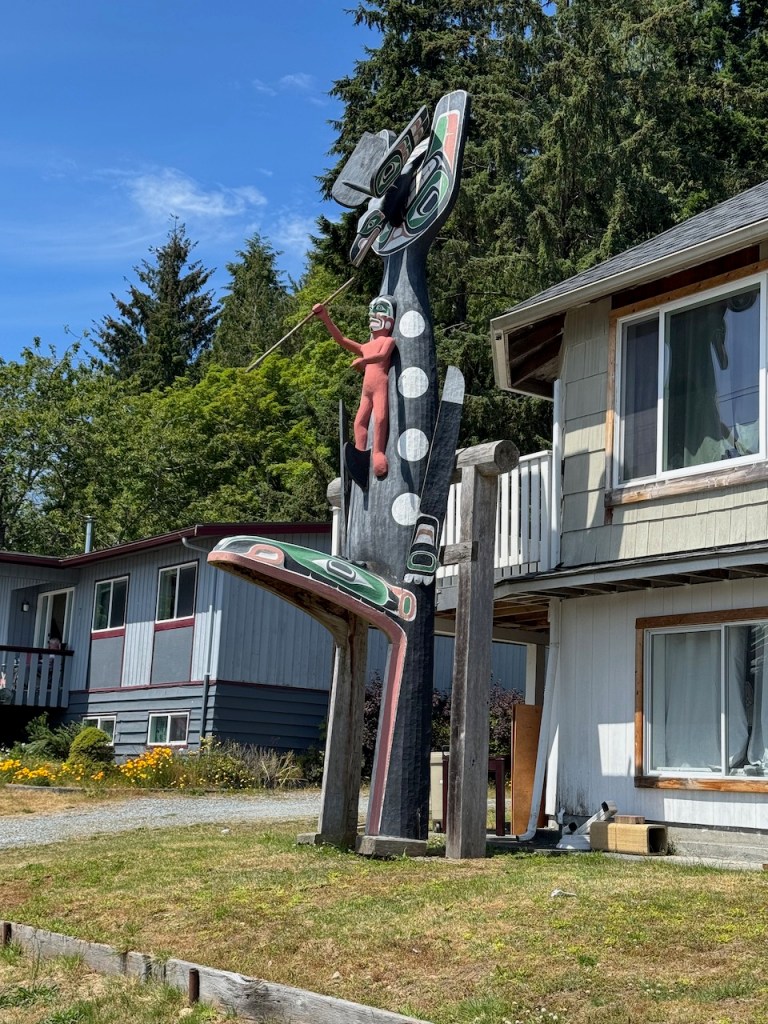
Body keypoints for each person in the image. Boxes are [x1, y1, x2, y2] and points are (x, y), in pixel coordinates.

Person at [312, 296, 396, 478]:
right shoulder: (366, 346)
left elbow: (382, 356)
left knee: (381, 418)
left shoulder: (388, 341)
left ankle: (378, 453)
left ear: (389, 320)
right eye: (372, 314)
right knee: (359, 422)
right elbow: (341, 340)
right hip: (367, 389)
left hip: (380, 384)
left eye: (379, 313)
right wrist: (325, 318)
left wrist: (364, 360)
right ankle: (360, 454)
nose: (374, 318)